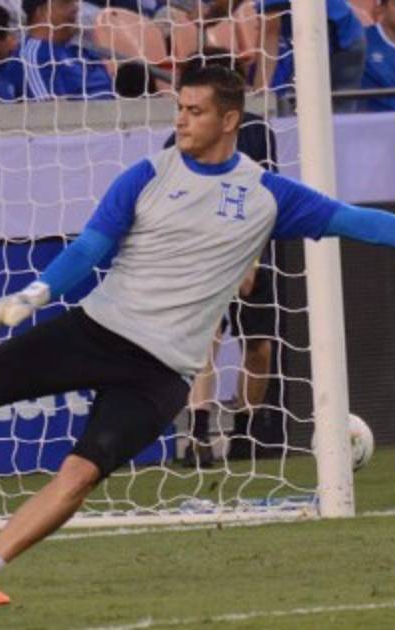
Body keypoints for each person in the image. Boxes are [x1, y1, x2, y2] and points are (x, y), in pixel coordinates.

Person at [0, 64, 395, 607]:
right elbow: (91, 247)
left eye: (194, 111)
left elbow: (357, 221)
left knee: (81, 475)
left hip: (162, 372)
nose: (181, 121)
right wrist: (36, 294)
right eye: (179, 109)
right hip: (98, 330)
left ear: (229, 120)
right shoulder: (147, 175)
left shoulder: (268, 196)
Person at [161, 47, 280, 466]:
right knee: (205, 339)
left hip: (251, 249)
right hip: (201, 256)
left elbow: (264, 197)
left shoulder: (257, 131)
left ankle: (245, 434)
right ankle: (198, 435)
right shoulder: (175, 143)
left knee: (259, 346)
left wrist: (251, 259)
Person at [253, 0, 367, 108]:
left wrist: (259, 92)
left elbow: (270, 30)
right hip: (336, 33)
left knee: (308, 107)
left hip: (340, 42)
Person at [0, 0, 114, 100]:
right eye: (65, 3)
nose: (76, 8)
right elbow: (52, 113)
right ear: (41, 11)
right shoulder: (33, 57)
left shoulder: (78, 51)